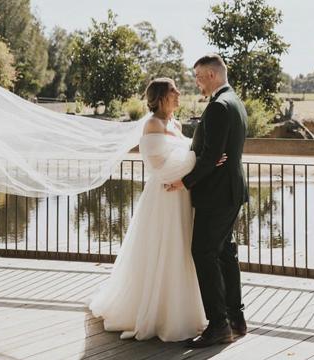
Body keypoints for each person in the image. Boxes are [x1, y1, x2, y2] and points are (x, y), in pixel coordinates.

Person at [89, 77, 226, 342]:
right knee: (161, 249)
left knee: (181, 250)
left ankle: (183, 309)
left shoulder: (174, 123)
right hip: (164, 196)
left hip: (181, 195)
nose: (178, 93)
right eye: (173, 90)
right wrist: (202, 161)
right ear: (161, 96)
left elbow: (186, 153)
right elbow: (156, 165)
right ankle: (158, 313)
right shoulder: (152, 124)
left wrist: (207, 161)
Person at [168, 54, 249, 347]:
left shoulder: (217, 107)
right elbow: (217, 153)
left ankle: (218, 326)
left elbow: (212, 155)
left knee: (203, 253)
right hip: (231, 190)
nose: (197, 84)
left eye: (199, 78)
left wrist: (184, 181)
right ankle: (236, 318)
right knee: (225, 252)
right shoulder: (235, 102)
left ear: (212, 75)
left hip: (216, 194)